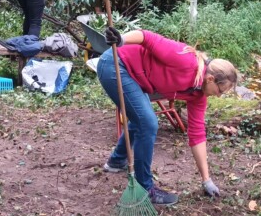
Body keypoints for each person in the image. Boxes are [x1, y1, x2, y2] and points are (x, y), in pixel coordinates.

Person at [98, 27, 238, 206]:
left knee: (142, 119)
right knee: (147, 123)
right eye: (220, 91)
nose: (218, 96)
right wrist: (121, 39)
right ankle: (145, 189)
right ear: (210, 79)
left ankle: (116, 162)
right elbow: (147, 37)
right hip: (116, 65)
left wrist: (206, 180)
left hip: (136, 77)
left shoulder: (198, 94)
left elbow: (197, 135)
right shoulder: (186, 61)